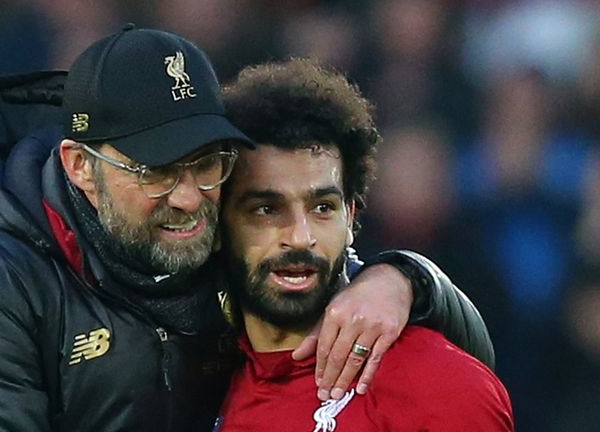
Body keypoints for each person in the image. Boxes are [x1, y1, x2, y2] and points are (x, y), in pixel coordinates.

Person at [0, 27, 493, 431]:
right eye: (155, 171)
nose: (187, 197)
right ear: (81, 167)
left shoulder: (212, 234)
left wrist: (405, 281)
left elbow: (467, 362)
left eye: (206, 165)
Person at [215, 58, 514, 431]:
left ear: (352, 217)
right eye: (266, 209)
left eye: (322, 207)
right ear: (218, 223)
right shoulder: (188, 386)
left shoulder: (436, 386)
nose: (300, 236)